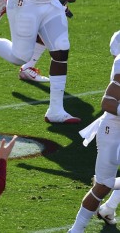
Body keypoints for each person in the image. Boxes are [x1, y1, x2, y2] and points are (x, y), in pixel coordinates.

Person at [68, 31, 120, 231]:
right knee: (102, 186)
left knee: (104, 184)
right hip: (112, 129)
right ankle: (76, 229)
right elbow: (107, 102)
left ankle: (108, 208)